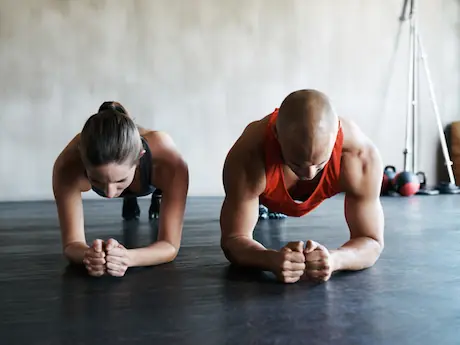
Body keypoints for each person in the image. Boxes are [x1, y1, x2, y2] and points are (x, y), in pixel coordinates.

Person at [219, 89, 384, 283]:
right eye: (297, 164)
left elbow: (371, 241)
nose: (309, 174)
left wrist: (334, 259)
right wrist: (269, 259)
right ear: (276, 136)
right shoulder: (249, 154)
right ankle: (265, 205)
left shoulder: (360, 156)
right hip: (264, 186)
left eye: (320, 164)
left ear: (336, 135)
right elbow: (233, 239)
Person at [52, 102, 189, 277]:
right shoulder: (67, 164)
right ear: (82, 161)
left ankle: (155, 197)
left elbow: (170, 245)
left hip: (153, 181)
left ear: (140, 157)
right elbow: (71, 245)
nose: (109, 193)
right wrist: (91, 256)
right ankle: (128, 194)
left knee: (157, 198)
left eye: (120, 180)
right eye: (96, 180)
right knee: (127, 198)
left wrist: (128, 258)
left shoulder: (168, 161)